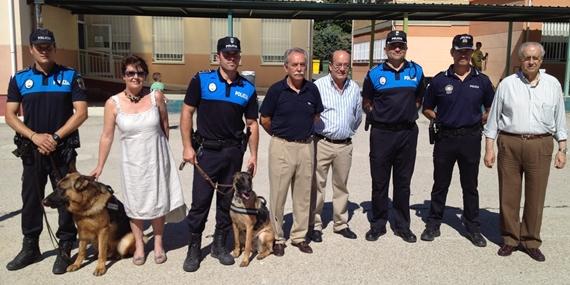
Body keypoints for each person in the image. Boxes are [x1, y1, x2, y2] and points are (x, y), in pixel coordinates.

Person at [5, 28, 88, 274]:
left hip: (61, 150)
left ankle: (65, 246)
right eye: (38, 46)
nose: (43, 50)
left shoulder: (70, 75)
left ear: (54, 48)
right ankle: (31, 246)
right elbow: (10, 114)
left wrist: (54, 137)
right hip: (32, 150)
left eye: (48, 46)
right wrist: (34, 136)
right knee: (31, 199)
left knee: (65, 200)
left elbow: (81, 112)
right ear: (31, 49)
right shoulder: (19, 78)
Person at [90, 55, 186, 266]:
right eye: (130, 73)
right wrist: (100, 165)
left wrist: (164, 153)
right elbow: (107, 135)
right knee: (135, 204)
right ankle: (140, 246)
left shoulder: (156, 97)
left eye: (140, 73)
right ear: (123, 75)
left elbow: (164, 124)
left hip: (156, 159)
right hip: (132, 162)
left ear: (145, 75)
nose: (135, 77)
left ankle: (159, 244)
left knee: (158, 200)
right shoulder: (112, 103)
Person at [180, 36, 259, 272]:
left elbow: (252, 124)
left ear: (240, 56)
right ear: (218, 56)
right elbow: (186, 113)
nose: (231, 58)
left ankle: (219, 245)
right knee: (200, 202)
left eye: (235, 54)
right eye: (227, 54)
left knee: (226, 202)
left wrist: (253, 155)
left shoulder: (248, 88)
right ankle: (194, 248)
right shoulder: (202, 80)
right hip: (207, 152)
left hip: (233, 153)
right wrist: (187, 146)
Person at [483, 42, 567, 262]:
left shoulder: (553, 85)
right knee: (508, 195)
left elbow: (560, 119)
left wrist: (562, 148)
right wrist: (489, 148)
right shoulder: (507, 85)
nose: (531, 62)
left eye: (535, 58)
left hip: (541, 144)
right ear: (520, 60)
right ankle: (510, 238)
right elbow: (493, 119)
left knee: (536, 195)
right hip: (509, 143)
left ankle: (531, 240)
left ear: (541, 60)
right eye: (527, 58)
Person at [420, 34, 495, 247]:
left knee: (470, 186)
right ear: (452, 52)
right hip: (446, 138)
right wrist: (440, 119)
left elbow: (491, 107)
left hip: (471, 138)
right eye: (459, 50)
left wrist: (479, 119)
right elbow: (426, 108)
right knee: (440, 184)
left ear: (471, 53)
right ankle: (433, 223)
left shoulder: (482, 80)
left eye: (467, 51)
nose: (463, 54)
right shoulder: (439, 80)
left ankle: (472, 227)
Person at [361, 30, 426, 243]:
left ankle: (402, 225)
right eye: (393, 45)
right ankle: (378, 224)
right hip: (381, 134)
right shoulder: (374, 73)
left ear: (406, 48)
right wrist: (381, 117)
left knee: (403, 182)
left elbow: (419, 100)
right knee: (379, 182)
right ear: (386, 48)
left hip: (407, 133)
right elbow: (367, 102)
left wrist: (403, 114)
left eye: (401, 45)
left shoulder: (416, 71)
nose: (397, 49)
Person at [260, 47, 323, 256]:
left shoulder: (312, 90)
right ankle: (278, 237)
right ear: (286, 67)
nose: (298, 68)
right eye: (294, 64)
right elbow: (265, 119)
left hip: (306, 147)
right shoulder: (276, 90)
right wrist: (281, 137)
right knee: (278, 195)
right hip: (282, 146)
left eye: (302, 64)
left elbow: (315, 116)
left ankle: (299, 236)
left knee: (303, 195)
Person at [308, 49, 362, 242]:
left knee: (341, 186)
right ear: (330, 66)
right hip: (322, 142)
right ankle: (314, 225)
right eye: (338, 64)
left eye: (345, 65)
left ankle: (340, 223)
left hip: (344, 145)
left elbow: (357, 118)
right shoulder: (318, 87)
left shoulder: (354, 88)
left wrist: (346, 131)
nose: (342, 68)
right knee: (317, 186)